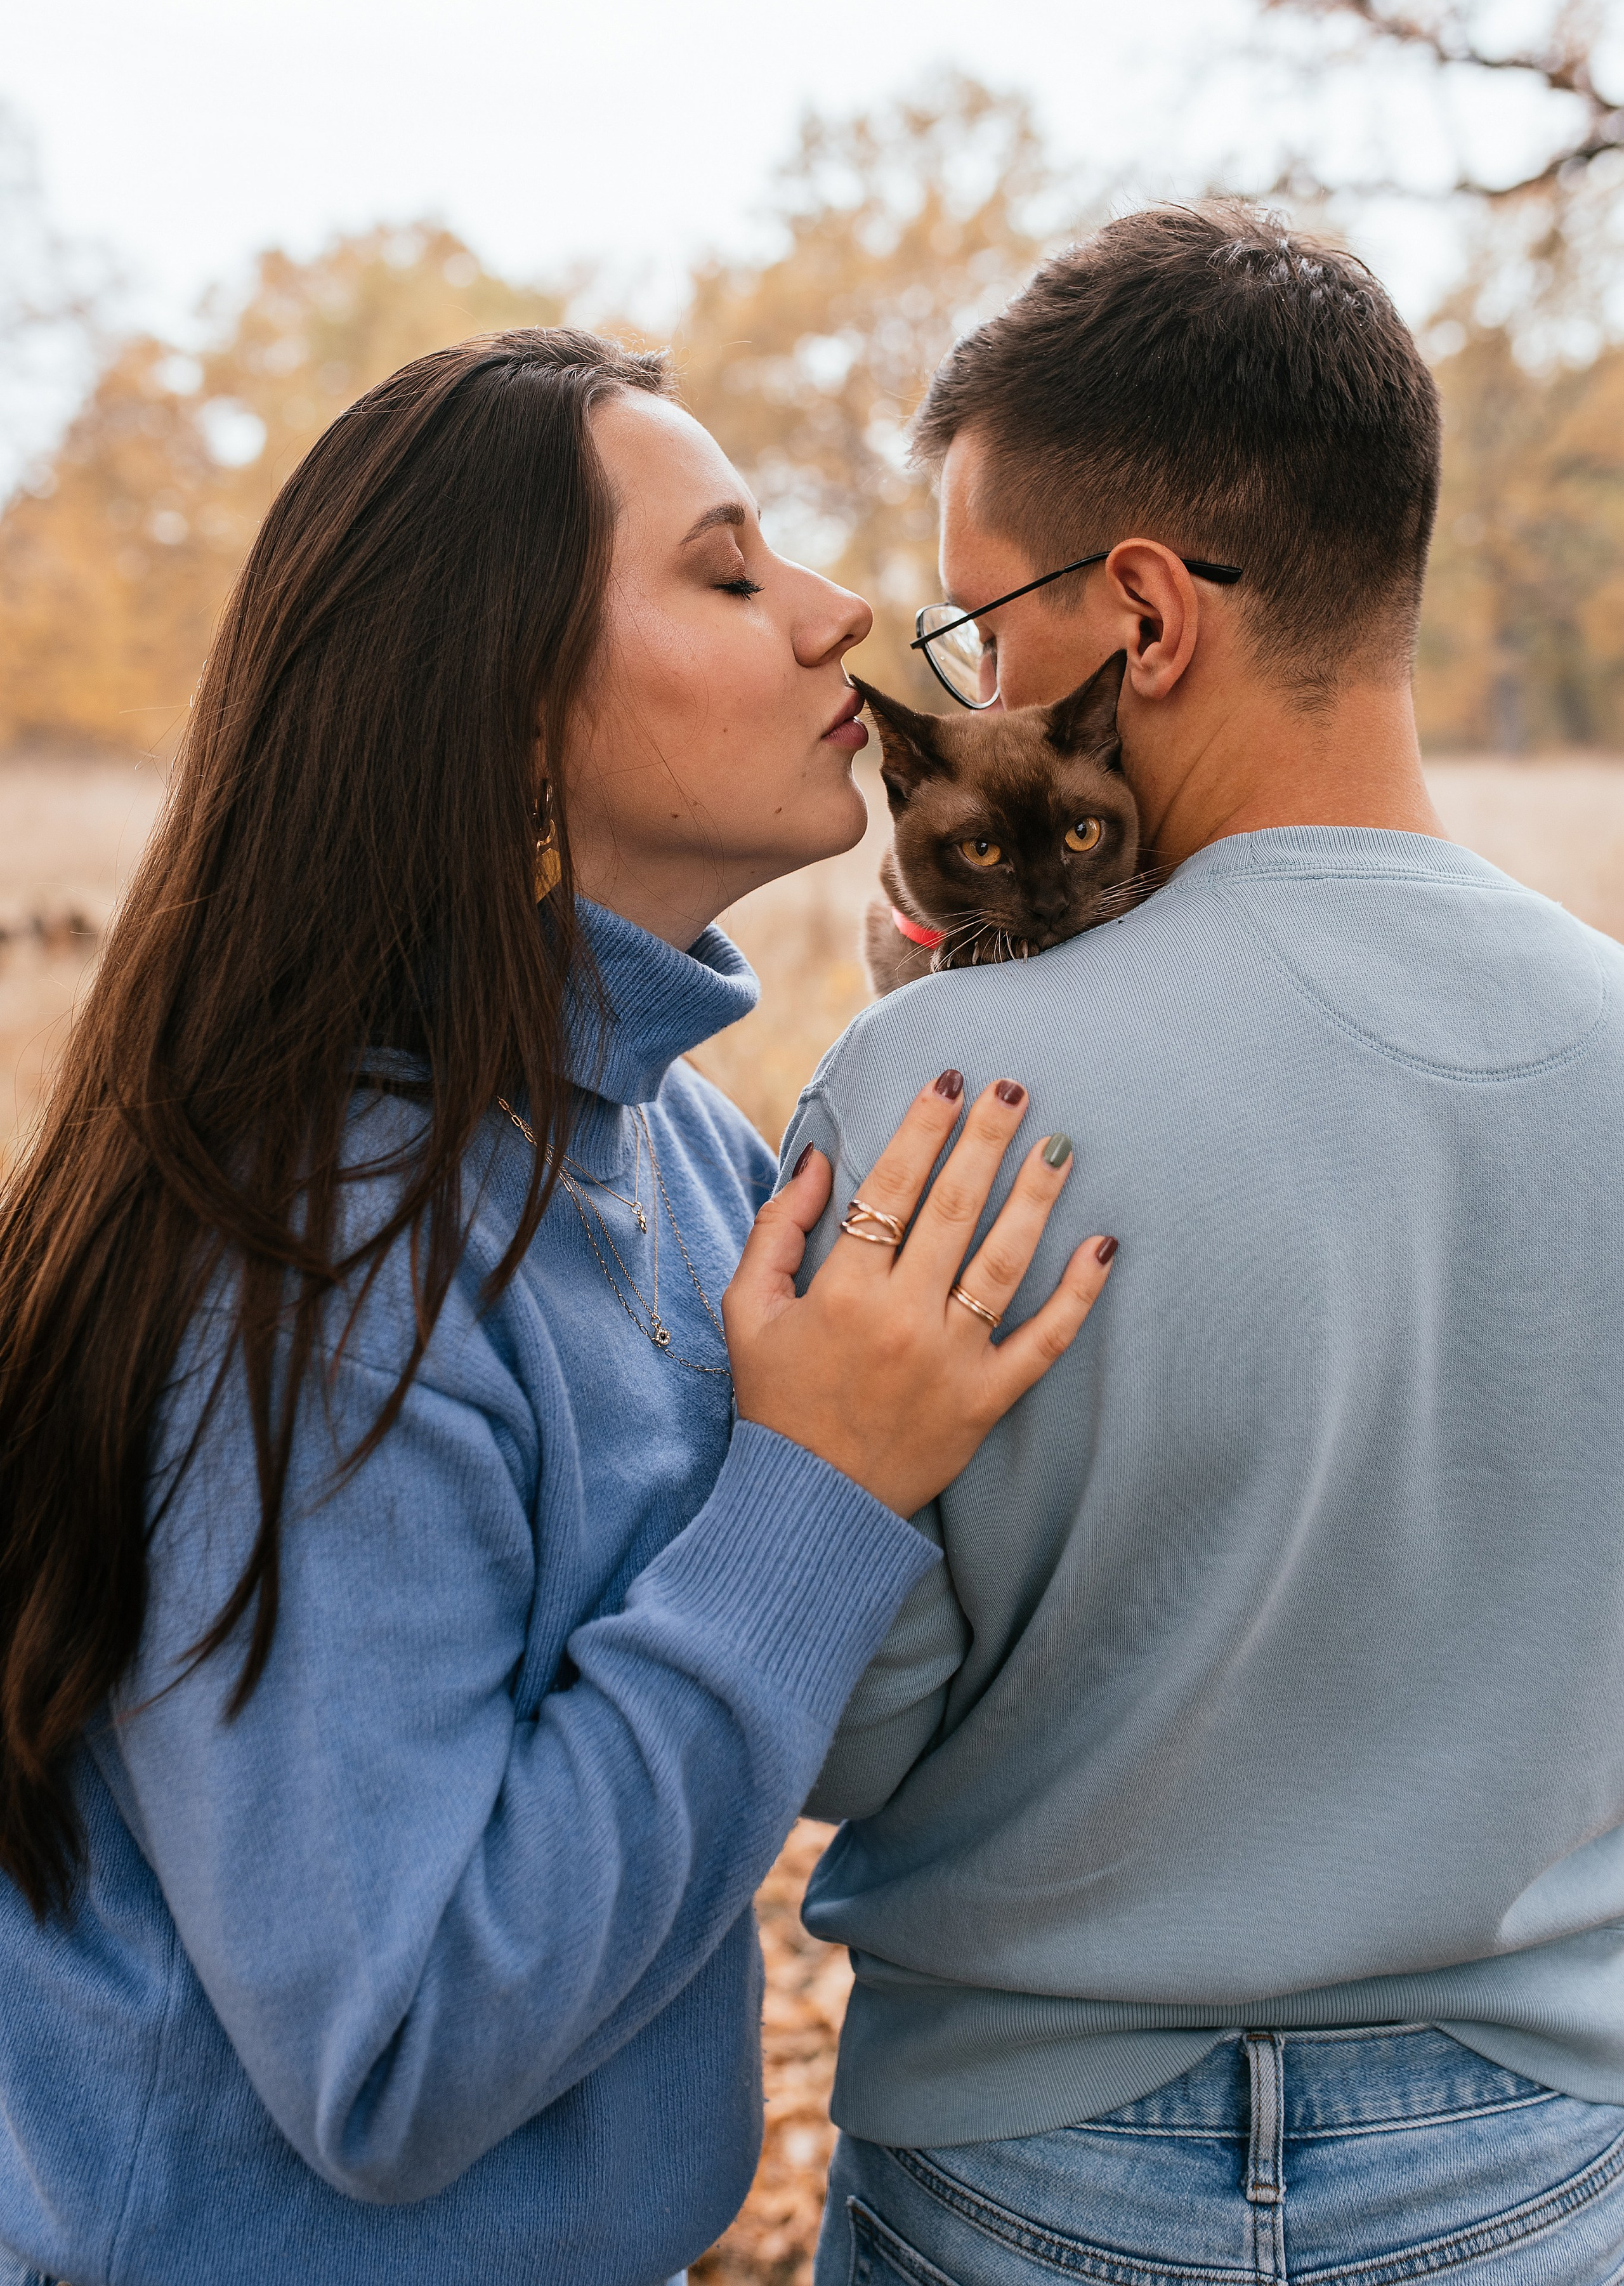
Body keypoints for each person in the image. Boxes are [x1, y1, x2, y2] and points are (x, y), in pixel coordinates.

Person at [0, 330, 1120, 2286]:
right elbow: (400, 2056)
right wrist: (810, 1489)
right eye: (729, 568)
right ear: (512, 715)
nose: (839, 612)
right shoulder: (319, 1269)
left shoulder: (669, 1138)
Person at [794, 207, 1624, 2284]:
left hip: (1018, 2170)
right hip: (1540, 2169)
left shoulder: (931, 1097)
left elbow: (829, 1735)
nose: (970, 693)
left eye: (985, 635)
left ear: (1146, 616)